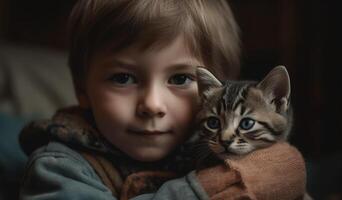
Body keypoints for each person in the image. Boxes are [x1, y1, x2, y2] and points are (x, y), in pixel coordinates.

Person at [18, 0, 307, 199]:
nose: (153, 105)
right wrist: (205, 190)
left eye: (180, 79)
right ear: (82, 90)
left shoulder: (208, 151)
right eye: (123, 78)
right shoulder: (59, 168)